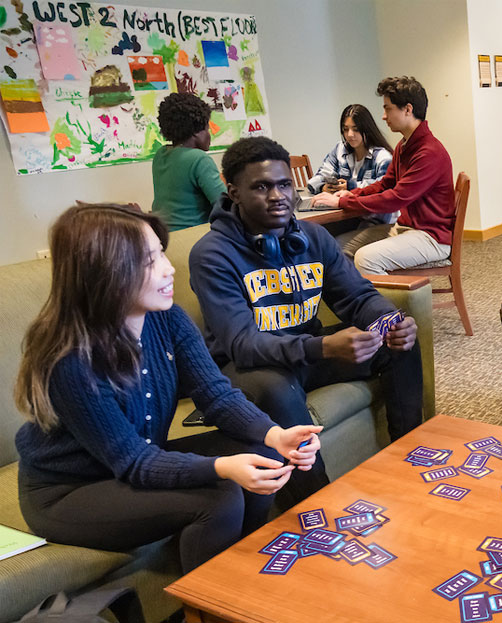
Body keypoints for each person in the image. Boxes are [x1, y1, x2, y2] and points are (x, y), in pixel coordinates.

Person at [14, 204, 321, 573]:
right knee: (219, 497)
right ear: (105, 272)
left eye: (160, 251)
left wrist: (275, 434)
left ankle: (242, 579)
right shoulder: (72, 360)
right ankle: (208, 606)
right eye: (149, 260)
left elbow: (217, 396)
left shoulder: (167, 317)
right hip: (70, 492)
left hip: (135, 462)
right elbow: (135, 462)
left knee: (263, 456)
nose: (169, 267)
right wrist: (222, 466)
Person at [188, 136, 423, 509]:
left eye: (283, 184)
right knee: (277, 390)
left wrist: (389, 320)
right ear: (233, 191)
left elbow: (357, 296)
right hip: (247, 368)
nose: (277, 195)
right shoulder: (211, 255)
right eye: (261, 187)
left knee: (399, 344)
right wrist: (321, 346)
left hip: (306, 354)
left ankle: (411, 456)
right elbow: (242, 343)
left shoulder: (312, 237)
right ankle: (315, 507)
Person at [311, 76, 455, 275]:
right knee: (339, 246)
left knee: (366, 259)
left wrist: (342, 203)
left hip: (431, 238)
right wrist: (352, 195)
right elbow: (386, 184)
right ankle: (356, 304)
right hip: (407, 228)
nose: (383, 116)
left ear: (407, 109)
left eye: (387, 108)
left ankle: (384, 307)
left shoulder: (429, 152)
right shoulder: (404, 145)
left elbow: (395, 199)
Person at [306, 104, 396, 257]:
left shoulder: (383, 156)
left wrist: (351, 187)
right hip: (347, 216)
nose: (350, 134)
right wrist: (323, 187)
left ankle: (347, 279)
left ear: (366, 129)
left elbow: (383, 188)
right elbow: (317, 178)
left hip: (377, 220)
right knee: (313, 239)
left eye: (355, 129)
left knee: (335, 247)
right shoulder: (340, 150)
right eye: (345, 129)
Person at [151, 93, 226, 231]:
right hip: (191, 235)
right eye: (207, 129)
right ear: (197, 132)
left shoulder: (160, 154)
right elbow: (225, 205)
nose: (210, 135)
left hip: (164, 234)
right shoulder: (199, 158)